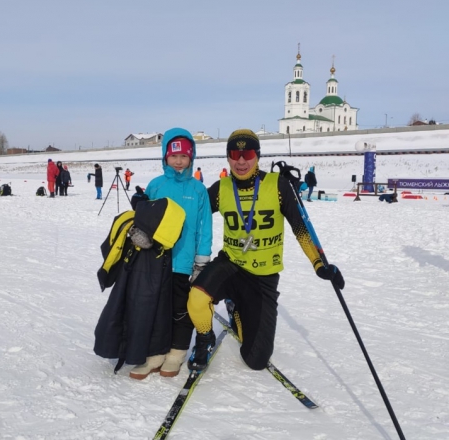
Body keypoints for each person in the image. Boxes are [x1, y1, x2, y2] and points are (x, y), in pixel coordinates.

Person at [186, 129, 345, 372]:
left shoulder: (277, 185)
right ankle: (205, 339)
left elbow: (300, 227)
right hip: (230, 264)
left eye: (247, 153)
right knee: (196, 299)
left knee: (256, 360)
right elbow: (192, 215)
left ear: (257, 155)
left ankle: (235, 309)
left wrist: (319, 264)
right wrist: (154, 206)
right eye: (234, 154)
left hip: (263, 276)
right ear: (228, 157)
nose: (241, 161)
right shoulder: (222, 188)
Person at [128, 127, 213, 380]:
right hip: (156, 261)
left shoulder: (198, 190)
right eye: (173, 156)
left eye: (184, 156)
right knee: (156, 308)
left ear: (192, 158)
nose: (178, 161)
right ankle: (156, 352)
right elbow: (144, 221)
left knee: (180, 309)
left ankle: (176, 352)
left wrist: (201, 260)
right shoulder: (156, 185)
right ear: (165, 157)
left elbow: (204, 226)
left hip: (184, 262)